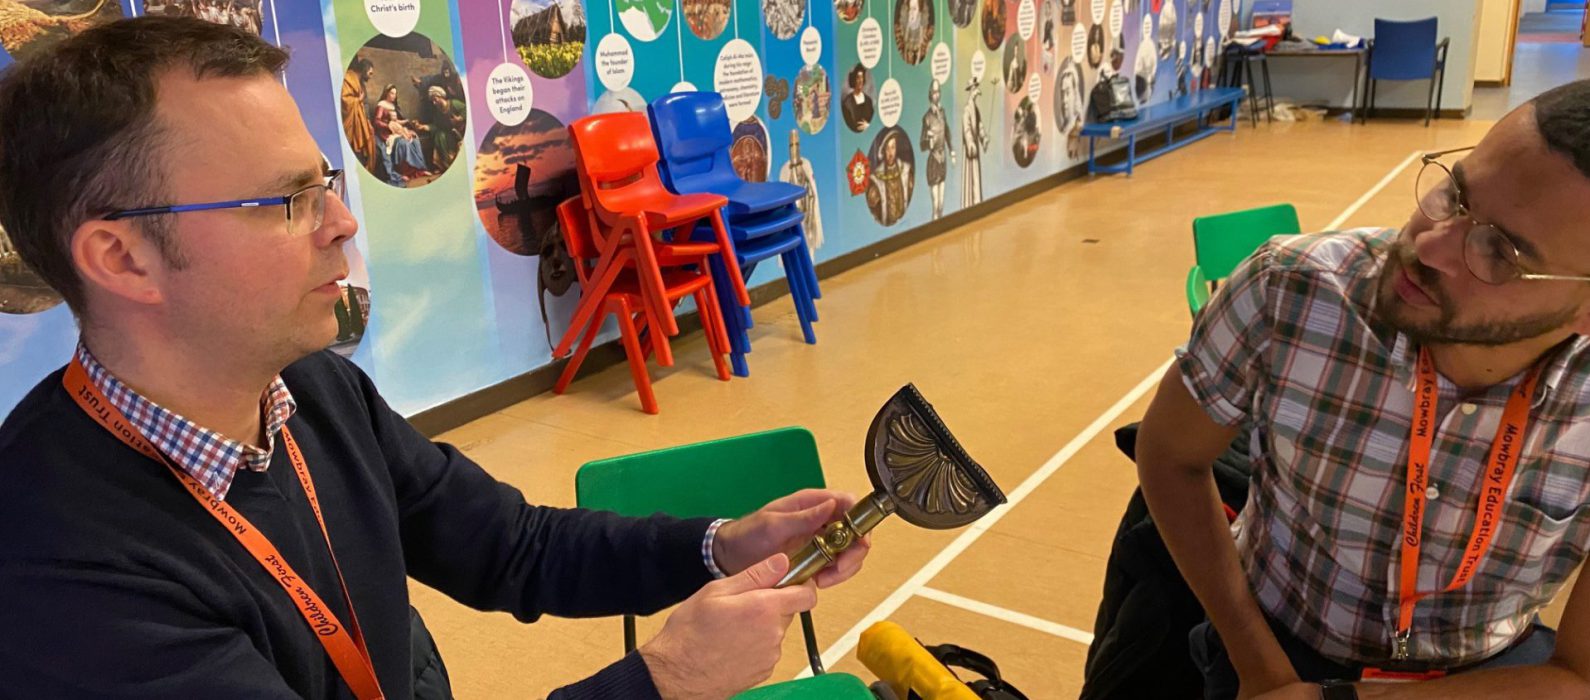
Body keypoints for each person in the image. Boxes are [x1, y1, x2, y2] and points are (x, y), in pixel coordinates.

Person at [0, 17, 871, 699]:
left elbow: (513, 547)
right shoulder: (56, 572)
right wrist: (665, 681)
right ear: (122, 259)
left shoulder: (310, 389)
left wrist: (719, 547)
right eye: (288, 201)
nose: (340, 225)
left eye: (324, 185)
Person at [1134, 80, 1590, 700]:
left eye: (1499, 253)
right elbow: (1169, 456)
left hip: (1486, 675)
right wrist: (1263, 672)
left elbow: (1576, 674)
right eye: (1453, 194)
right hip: (1273, 643)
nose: (1428, 244)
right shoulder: (1289, 290)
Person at [371, 84, 431, 186]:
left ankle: (419, 169)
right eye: (391, 93)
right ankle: (406, 172)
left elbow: (398, 121)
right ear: (386, 93)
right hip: (386, 134)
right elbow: (376, 122)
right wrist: (389, 126)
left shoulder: (393, 107)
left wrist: (406, 123)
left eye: (395, 93)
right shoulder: (381, 105)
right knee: (403, 144)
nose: (394, 95)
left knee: (414, 139)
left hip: (396, 131)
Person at [778, 130, 824, 253]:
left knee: (809, 249)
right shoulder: (785, 170)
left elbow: (812, 191)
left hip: (808, 215)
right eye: (791, 145)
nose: (794, 148)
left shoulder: (806, 165)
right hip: (794, 215)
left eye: (796, 145)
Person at [919, 79, 953, 220]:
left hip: (943, 160)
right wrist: (929, 140)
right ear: (930, 94)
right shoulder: (927, 118)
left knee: (941, 205)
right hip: (934, 162)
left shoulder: (943, 113)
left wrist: (951, 150)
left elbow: (947, 132)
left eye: (938, 91)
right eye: (934, 92)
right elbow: (922, 144)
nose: (936, 95)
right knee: (935, 205)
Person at [340, 56, 378, 175]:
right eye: (370, 73)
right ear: (365, 69)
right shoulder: (348, 78)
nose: (370, 76)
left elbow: (365, 106)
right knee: (355, 153)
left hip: (361, 123)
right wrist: (357, 100)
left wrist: (368, 122)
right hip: (352, 124)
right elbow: (344, 100)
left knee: (367, 148)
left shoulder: (361, 83)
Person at [866, 132, 913, 226]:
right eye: (887, 148)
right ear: (883, 151)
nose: (890, 153)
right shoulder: (876, 178)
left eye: (893, 147)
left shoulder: (906, 170)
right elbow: (872, 209)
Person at [961, 75, 987, 208]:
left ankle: (977, 202)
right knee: (971, 178)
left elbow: (980, 125)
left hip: (975, 147)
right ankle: (971, 203)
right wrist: (970, 143)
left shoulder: (975, 109)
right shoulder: (967, 110)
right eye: (975, 87)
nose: (977, 90)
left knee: (976, 177)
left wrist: (984, 138)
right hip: (970, 150)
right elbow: (967, 129)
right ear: (972, 90)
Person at [842, 64, 875, 132]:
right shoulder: (847, 103)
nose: (860, 80)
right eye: (858, 78)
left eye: (862, 77)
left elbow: (873, 122)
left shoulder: (868, 101)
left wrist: (868, 126)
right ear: (854, 80)